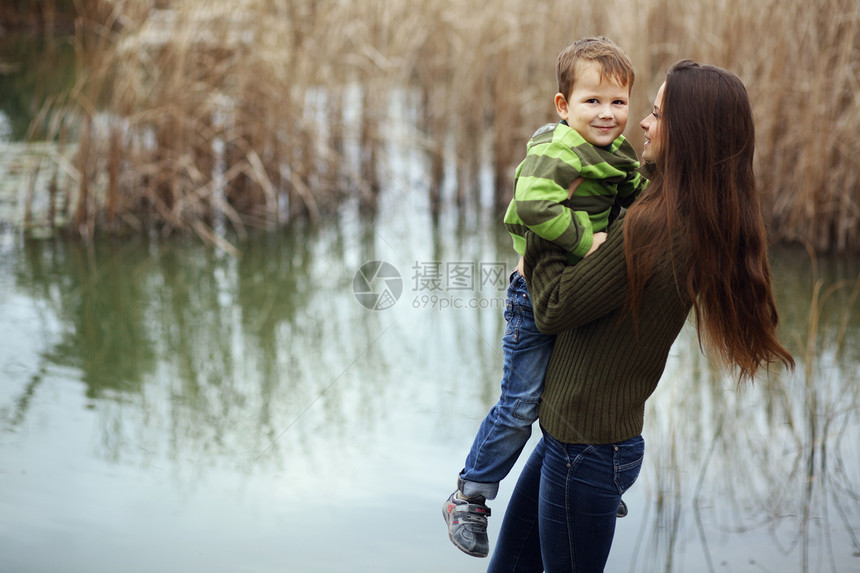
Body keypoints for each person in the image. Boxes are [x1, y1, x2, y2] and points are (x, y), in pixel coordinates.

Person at [486, 60, 796, 572]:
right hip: (577, 438)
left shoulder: (656, 222)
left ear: (690, 134)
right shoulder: (680, 206)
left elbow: (552, 307)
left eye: (655, 113)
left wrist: (538, 237)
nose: (643, 124)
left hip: (585, 450)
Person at [443, 36, 646, 559]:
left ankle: (590, 487)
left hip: (577, 293)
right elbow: (531, 206)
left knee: (574, 390)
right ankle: (470, 495)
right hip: (533, 295)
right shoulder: (558, 150)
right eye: (592, 101)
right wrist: (587, 240)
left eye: (618, 102)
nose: (607, 114)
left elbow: (636, 193)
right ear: (564, 106)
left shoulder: (615, 152)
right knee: (521, 405)